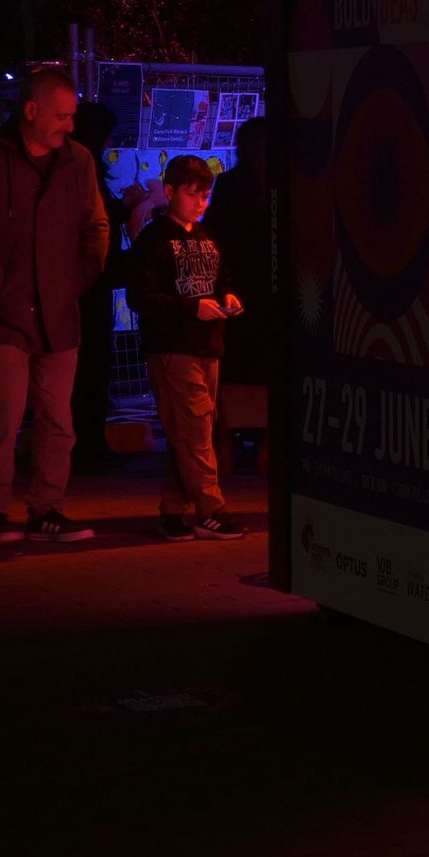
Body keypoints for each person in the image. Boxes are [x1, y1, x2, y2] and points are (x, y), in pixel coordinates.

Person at [0, 69, 110, 546]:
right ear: (32, 111)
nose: (70, 125)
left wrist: (78, 278)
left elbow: (95, 227)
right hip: (9, 314)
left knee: (58, 421)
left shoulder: (77, 162)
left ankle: (46, 509)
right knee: (4, 416)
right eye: (62, 116)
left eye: (73, 116)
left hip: (57, 312)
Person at [127, 155, 247, 541]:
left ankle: (173, 511)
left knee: (192, 429)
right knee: (195, 429)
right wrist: (192, 307)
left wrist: (227, 296)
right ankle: (212, 509)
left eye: (205, 194)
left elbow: (221, 277)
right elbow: (141, 297)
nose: (201, 202)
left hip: (208, 345)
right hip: (172, 347)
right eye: (193, 194)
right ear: (170, 192)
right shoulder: (154, 239)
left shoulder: (207, 237)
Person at [68, 102, 137, 472]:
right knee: (91, 364)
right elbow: (97, 224)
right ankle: (87, 444)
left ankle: (86, 442)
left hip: (87, 280)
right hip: (90, 282)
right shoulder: (86, 168)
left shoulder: (80, 167)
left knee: (88, 364)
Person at [203, 116, 270, 446]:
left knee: (241, 362)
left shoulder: (231, 183)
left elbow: (217, 231)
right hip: (256, 284)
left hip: (240, 282)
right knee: (258, 361)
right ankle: (256, 438)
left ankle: (232, 437)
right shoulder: (264, 182)